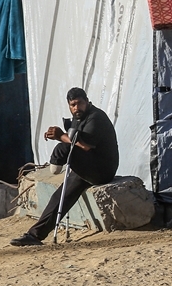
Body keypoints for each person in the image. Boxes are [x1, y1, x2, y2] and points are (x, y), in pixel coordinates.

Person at [10, 88, 119, 247]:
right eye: (72, 105)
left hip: (102, 169)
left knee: (65, 148)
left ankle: (56, 162)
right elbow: (73, 138)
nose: (76, 108)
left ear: (87, 101)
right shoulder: (77, 118)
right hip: (87, 168)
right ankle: (34, 236)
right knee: (59, 198)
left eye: (79, 103)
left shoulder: (96, 117)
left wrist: (60, 136)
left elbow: (85, 145)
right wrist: (61, 136)